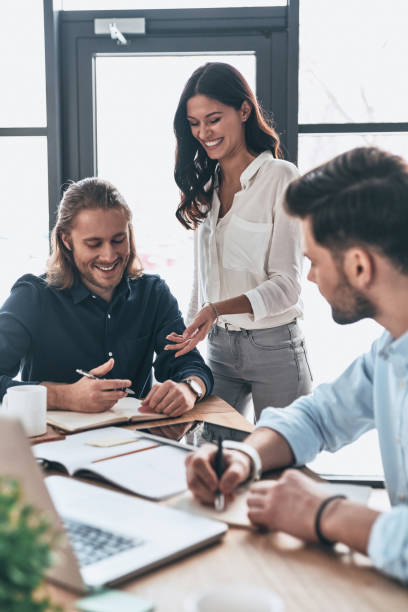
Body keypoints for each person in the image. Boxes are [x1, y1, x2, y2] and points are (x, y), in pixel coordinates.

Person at [186, 146, 408, 583]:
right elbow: (320, 415)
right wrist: (245, 456)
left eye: (314, 261)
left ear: (359, 266)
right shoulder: (389, 350)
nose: (310, 277)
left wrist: (324, 512)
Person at [166, 62, 312, 432]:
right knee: (208, 460)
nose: (203, 132)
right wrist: (188, 336)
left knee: (278, 469)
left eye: (213, 119)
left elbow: (287, 285)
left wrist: (215, 309)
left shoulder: (281, 178)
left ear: (244, 110)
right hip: (218, 350)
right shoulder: (205, 190)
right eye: (194, 123)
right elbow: (204, 281)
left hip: (275, 348)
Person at [0, 177, 212, 414]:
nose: (109, 255)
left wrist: (189, 388)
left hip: (136, 443)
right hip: (57, 445)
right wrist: (64, 396)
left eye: (118, 240)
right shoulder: (33, 297)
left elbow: (189, 364)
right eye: (94, 244)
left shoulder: (153, 294)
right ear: (66, 240)